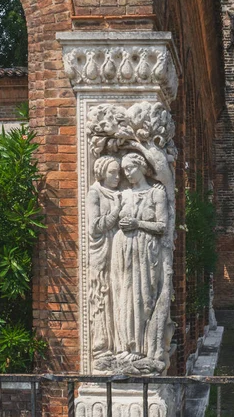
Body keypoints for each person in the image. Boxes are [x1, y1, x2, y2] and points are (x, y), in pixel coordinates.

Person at [111, 152, 168, 367]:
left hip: (146, 250)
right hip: (123, 249)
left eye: (129, 168)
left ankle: (142, 348)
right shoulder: (123, 194)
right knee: (123, 296)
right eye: (124, 170)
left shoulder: (156, 194)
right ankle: (125, 345)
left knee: (143, 298)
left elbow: (162, 226)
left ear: (141, 167)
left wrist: (138, 223)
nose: (126, 173)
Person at [86, 155, 121, 366]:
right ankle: (101, 346)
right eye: (112, 173)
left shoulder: (119, 193)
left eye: (119, 173)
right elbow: (95, 226)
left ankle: (119, 344)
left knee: (119, 295)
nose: (117, 177)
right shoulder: (95, 192)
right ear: (101, 172)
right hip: (102, 251)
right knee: (102, 296)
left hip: (120, 252)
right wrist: (116, 212)